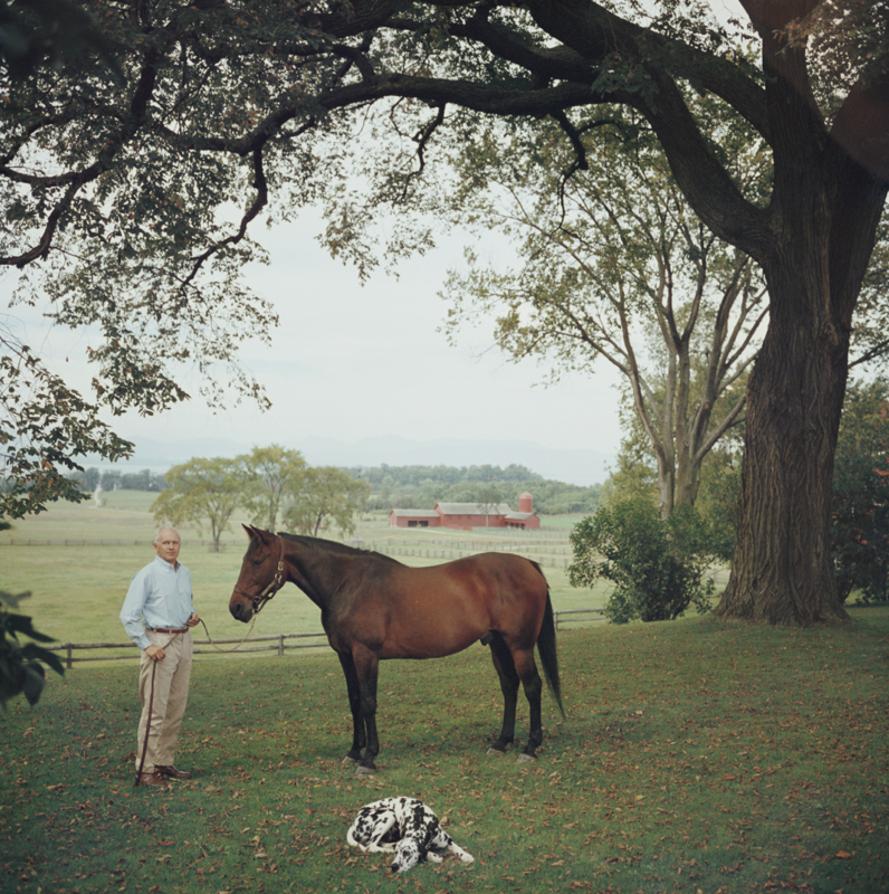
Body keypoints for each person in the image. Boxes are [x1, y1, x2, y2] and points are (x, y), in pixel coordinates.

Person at [120, 527, 200, 787]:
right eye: (165, 542)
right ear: (155, 546)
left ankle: (164, 762)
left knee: (176, 706)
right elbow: (128, 615)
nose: (171, 546)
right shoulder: (147, 574)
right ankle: (145, 770)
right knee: (155, 709)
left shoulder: (185, 573)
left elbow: (183, 605)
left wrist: (192, 616)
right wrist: (146, 645)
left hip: (183, 639)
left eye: (175, 542)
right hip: (159, 644)